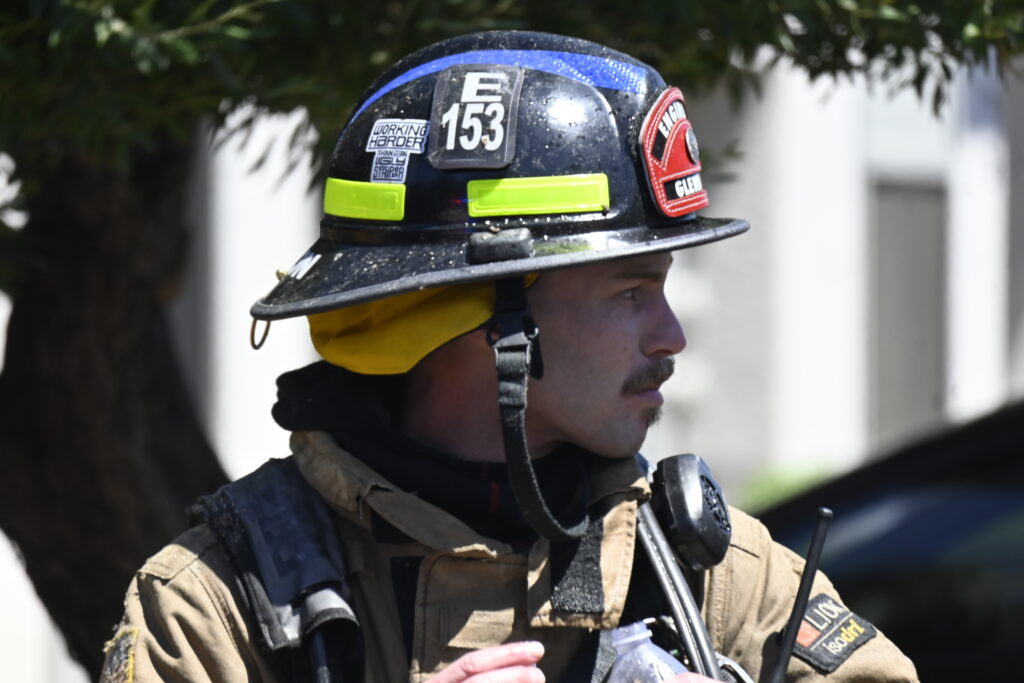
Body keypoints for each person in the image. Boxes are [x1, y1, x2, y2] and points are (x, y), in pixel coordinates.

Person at [100, 31, 918, 683]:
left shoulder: (712, 578)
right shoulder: (215, 607)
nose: (671, 335)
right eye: (630, 292)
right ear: (485, 314)